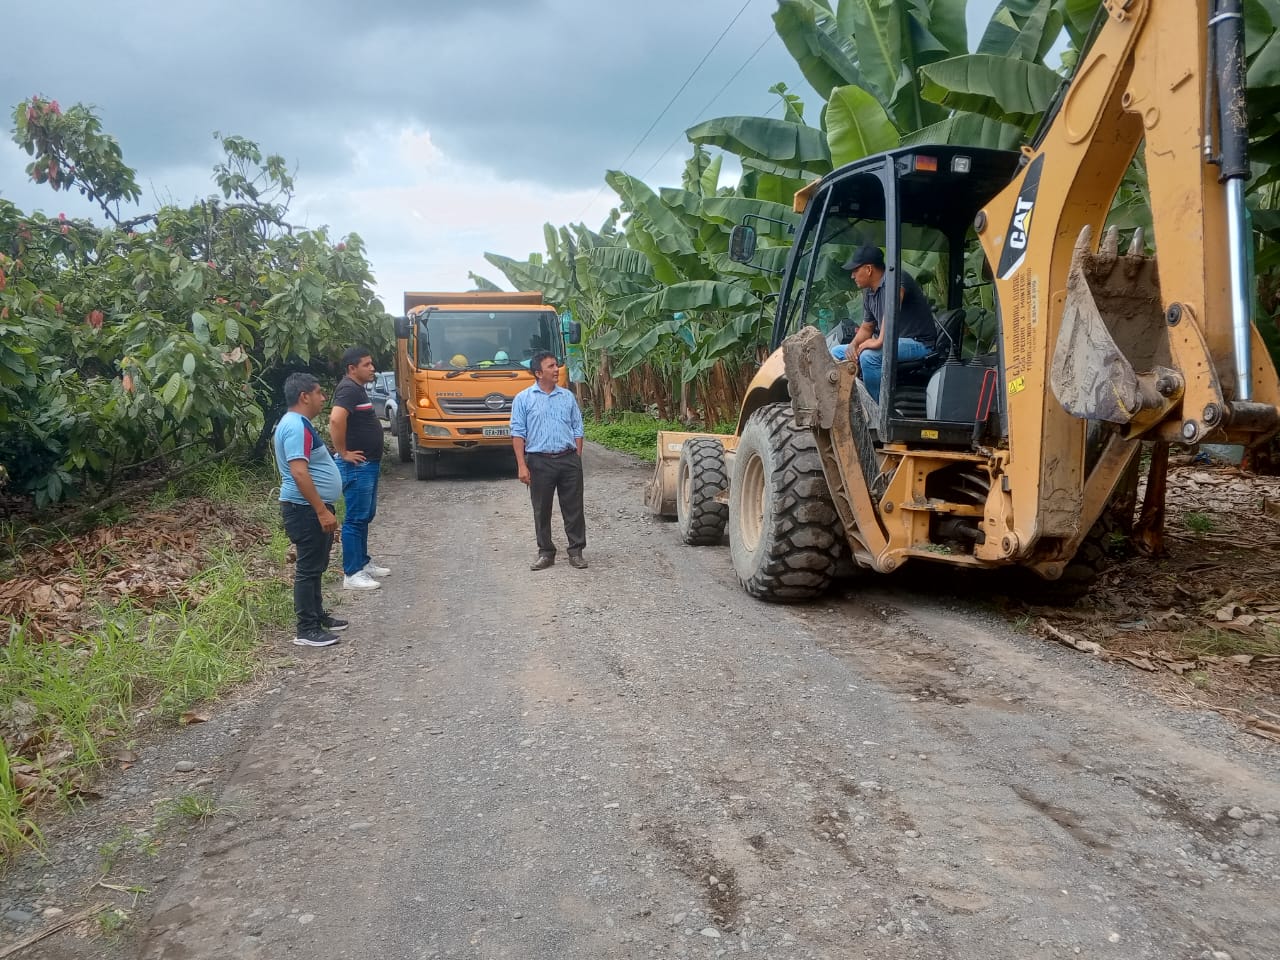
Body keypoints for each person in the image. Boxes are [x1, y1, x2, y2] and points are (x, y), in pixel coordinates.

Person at [274, 373, 346, 648]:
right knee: (308, 567)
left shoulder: (296, 423)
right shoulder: (295, 426)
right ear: (304, 396)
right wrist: (320, 510)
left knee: (316, 565)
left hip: (309, 507)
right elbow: (299, 472)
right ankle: (306, 629)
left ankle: (317, 616)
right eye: (319, 393)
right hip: (304, 509)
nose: (323, 398)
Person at [510, 351, 587, 571]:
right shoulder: (523, 399)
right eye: (551, 366)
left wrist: (576, 456)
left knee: (574, 508)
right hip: (539, 461)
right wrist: (522, 465)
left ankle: (576, 551)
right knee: (541, 509)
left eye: (556, 365)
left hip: (568, 459)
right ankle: (546, 552)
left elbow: (577, 427)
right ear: (538, 373)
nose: (556, 370)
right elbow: (518, 433)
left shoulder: (567, 397)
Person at [832, 244, 936, 400]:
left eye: (855, 270)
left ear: (868, 269)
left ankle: (877, 408)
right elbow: (867, 327)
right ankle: (849, 402)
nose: (852, 276)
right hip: (892, 343)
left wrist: (878, 341)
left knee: (869, 356)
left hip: (919, 344)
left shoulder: (896, 279)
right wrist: (853, 345)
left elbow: (891, 313)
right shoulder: (869, 292)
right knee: (837, 353)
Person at [330, 346, 390, 591]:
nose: (372, 368)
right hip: (357, 466)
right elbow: (335, 419)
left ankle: (363, 563)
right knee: (355, 518)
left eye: (371, 363)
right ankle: (352, 573)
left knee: (365, 515)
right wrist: (343, 452)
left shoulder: (357, 389)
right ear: (352, 368)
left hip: (367, 464)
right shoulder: (348, 389)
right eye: (366, 364)